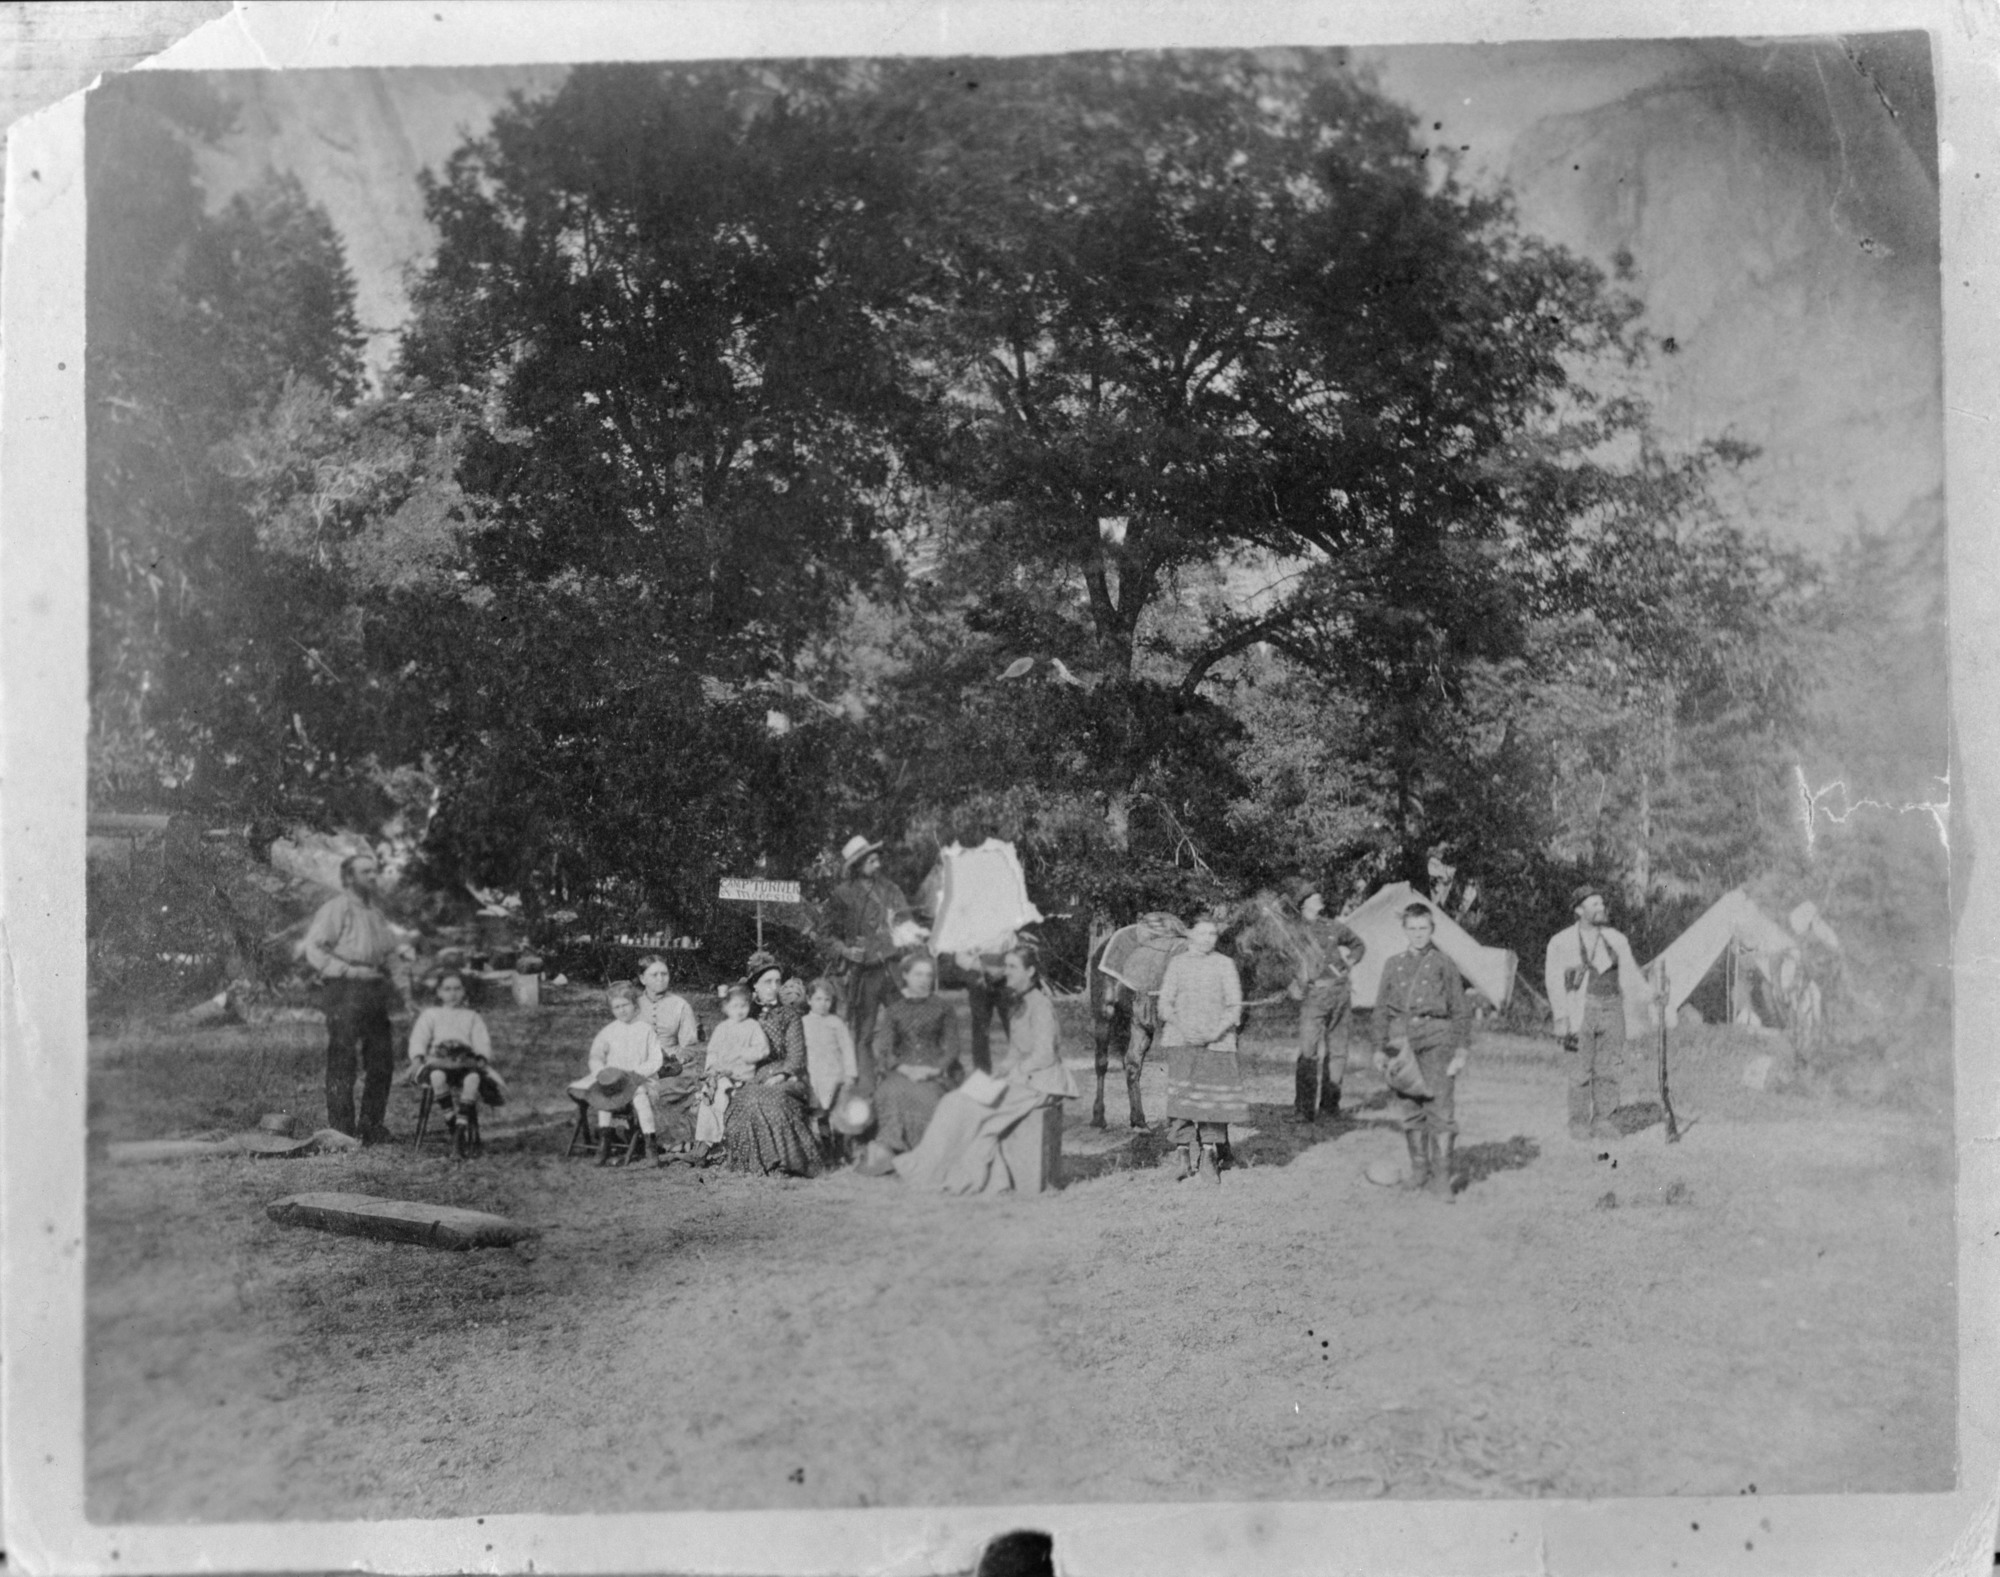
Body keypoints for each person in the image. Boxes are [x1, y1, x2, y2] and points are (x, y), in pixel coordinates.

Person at [887, 942, 1079, 1194]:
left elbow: (1043, 1056)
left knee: (970, 1107)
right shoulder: (1018, 1003)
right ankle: (931, 1167)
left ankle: (950, 1174)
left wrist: (1014, 1074)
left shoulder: (1040, 1005)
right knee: (955, 1100)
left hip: (1040, 1083)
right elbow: (1015, 1052)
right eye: (1006, 966)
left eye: (1012, 967)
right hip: (1022, 1078)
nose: (1006, 972)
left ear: (1030, 972)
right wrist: (1002, 1071)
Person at [302, 852, 403, 1144]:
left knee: (381, 1060)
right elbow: (315, 949)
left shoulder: (376, 913)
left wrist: (405, 992)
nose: (372, 877)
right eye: (365, 872)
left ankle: (372, 1126)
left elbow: (391, 955)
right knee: (343, 1059)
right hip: (344, 989)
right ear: (348, 877)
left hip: (373, 989)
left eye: (374, 872)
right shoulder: (336, 908)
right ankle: (341, 1131)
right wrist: (346, 971)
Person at [1372, 903, 1471, 1197]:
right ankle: (1419, 1172)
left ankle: (1441, 1179)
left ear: (1432, 930)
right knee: (1411, 1109)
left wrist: (1461, 1050)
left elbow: (1460, 1009)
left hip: (1438, 1039)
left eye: (1423, 929)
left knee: (1440, 1109)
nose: (1418, 934)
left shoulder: (1444, 963)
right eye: (1412, 929)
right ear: (1404, 930)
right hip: (1402, 1042)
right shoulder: (1393, 964)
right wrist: (1378, 1048)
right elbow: (1380, 1009)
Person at [1544, 883, 1653, 1142]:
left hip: (1613, 1008)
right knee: (1581, 1070)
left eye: (1602, 904)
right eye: (1595, 904)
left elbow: (1631, 977)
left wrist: (1651, 996)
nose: (1601, 908)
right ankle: (1579, 1123)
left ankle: (1604, 1121)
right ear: (1579, 910)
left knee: (1609, 1069)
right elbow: (1553, 980)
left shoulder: (1617, 939)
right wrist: (1561, 1016)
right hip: (1581, 1009)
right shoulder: (1561, 942)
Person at [854, 952, 967, 1169]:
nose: (924, 980)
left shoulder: (943, 1008)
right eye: (918, 974)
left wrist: (932, 1070)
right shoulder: (895, 1010)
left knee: (929, 1096)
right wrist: (904, 1068)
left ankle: (929, 1154)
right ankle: (892, 1149)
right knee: (889, 1092)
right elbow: (885, 1048)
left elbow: (952, 1048)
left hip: (934, 1069)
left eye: (928, 975)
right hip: (901, 1068)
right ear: (905, 976)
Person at [1157, 915, 1245, 1184]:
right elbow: (1164, 1005)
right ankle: (1182, 1156)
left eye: (1213, 934)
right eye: (1203, 933)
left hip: (1216, 1044)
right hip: (1182, 1041)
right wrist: (1185, 1030)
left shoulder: (1225, 964)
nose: (1209, 939)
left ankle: (1209, 1157)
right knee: (1182, 1099)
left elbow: (1234, 1006)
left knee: (1212, 1101)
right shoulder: (1177, 964)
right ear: (1191, 935)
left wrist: (1213, 1032)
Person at [726, 951, 821, 1176]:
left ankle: (789, 1162)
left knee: (774, 1098)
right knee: (747, 1099)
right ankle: (756, 1162)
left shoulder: (789, 1015)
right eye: (767, 982)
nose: (774, 986)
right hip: (753, 1077)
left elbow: (796, 1056)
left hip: (788, 1077)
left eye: (778, 981)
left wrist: (781, 1075)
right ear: (755, 986)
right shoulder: (745, 1016)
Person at [824, 835, 918, 1058]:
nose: (878, 865)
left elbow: (907, 924)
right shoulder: (842, 894)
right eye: (871, 861)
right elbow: (826, 935)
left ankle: (901, 1079)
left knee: (905, 1027)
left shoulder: (890, 889)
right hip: (864, 974)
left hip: (894, 969)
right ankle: (866, 1086)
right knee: (864, 1033)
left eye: (877, 860)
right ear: (857, 865)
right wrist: (846, 951)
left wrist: (903, 938)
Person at [1290, 881, 1367, 1124]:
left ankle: (1330, 1107)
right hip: (1313, 996)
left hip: (1340, 993)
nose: (1319, 899)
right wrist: (1293, 982)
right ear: (1304, 905)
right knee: (1308, 1052)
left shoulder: (1333, 926)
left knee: (1337, 1052)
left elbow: (1358, 945)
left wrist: (1349, 962)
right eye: (1314, 897)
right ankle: (1304, 1110)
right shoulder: (1294, 932)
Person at [569, 980, 667, 1165]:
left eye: (625, 1005)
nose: (622, 1011)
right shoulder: (609, 1031)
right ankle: (605, 1141)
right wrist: (601, 1073)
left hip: (639, 1079)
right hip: (615, 1081)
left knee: (640, 1095)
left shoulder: (645, 1029)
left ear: (635, 1005)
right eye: (616, 1007)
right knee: (603, 1093)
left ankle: (650, 1143)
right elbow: (595, 1056)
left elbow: (655, 1059)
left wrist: (637, 1073)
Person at [406, 970, 505, 1151]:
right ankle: (452, 1124)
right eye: (447, 989)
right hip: (439, 1062)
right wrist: (418, 1057)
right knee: (436, 1076)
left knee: (473, 1079)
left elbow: (481, 1041)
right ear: (439, 992)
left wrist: (481, 1057)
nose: (452, 994)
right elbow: (418, 1038)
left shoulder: (471, 1016)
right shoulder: (431, 1014)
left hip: (463, 1064)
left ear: (463, 991)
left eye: (457, 989)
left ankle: (460, 1130)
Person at [635, 954, 704, 1153]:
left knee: (663, 1088)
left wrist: (675, 1060)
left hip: (675, 1066)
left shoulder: (680, 1006)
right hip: (642, 1063)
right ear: (642, 979)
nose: (660, 979)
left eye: (664, 974)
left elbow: (689, 1047)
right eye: (654, 974)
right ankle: (642, 1136)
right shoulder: (635, 1006)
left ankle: (669, 1140)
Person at [694, 984, 769, 1158]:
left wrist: (744, 1054)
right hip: (722, 1074)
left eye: (744, 1006)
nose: (740, 1010)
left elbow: (763, 1050)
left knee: (719, 1096)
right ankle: (704, 1142)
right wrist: (711, 1069)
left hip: (742, 1075)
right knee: (708, 1095)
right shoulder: (722, 1028)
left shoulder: (752, 1026)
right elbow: (712, 1051)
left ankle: (716, 1141)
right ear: (726, 1008)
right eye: (735, 1006)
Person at [802, 976, 859, 1121]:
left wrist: (850, 1074)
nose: (823, 1004)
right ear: (809, 1000)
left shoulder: (836, 1022)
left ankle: (833, 1132)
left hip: (834, 1071)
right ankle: (821, 1131)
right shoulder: (803, 1022)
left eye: (827, 1000)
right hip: (813, 1070)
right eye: (818, 999)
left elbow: (847, 1048)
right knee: (815, 1103)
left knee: (833, 1106)